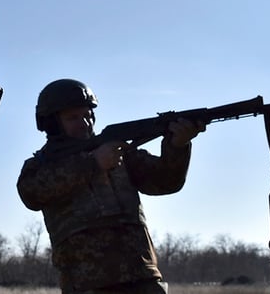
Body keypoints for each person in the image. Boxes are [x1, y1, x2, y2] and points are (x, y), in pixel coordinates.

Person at [16, 79, 206, 294]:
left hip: (142, 276)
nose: (85, 123)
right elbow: (31, 194)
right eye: (73, 117)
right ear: (52, 123)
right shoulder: (41, 165)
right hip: (87, 283)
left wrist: (177, 146)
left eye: (88, 115)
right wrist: (93, 163)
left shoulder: (119, 153)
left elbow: (166, 182)